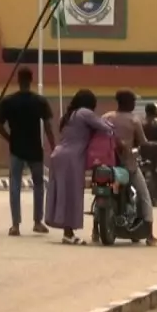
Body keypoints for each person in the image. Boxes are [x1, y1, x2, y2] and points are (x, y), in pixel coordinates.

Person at [0, 68, 55, 237]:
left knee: (15, 186)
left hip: (17, 149)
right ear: (31, 79)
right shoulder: (39, 101)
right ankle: (37, 222)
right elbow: (48, 127)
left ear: (18, 80)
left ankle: (15, 225)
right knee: (39, 185)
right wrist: (54, 147)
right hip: (35, 148)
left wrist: (10, 139)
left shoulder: (8, 101)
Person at [45, 89, 109, 245]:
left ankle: (66, 230)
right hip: (71, 158)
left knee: (61, 193)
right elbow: (106, 127)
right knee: (72, 194)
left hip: (58, 155)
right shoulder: (84, 113)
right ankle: (68, 233)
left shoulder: (70, 115)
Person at [101, 90, 157, 246]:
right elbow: (143, 142)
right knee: (144, 195)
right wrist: (153, 144)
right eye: (133, 102)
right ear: (129, 103)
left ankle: (95, 231)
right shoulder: (134, 120)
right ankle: (150, 235)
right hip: (127, 165)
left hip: (106, 163)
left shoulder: (106, 117)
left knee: (101, 191)